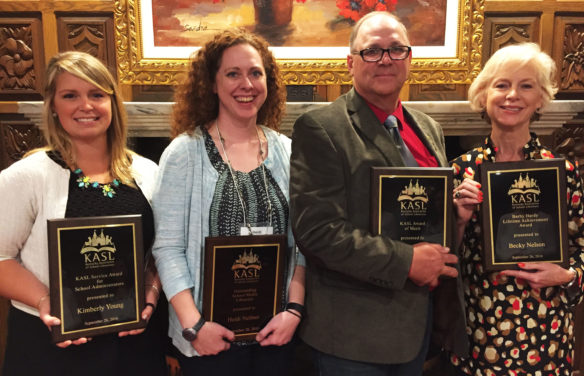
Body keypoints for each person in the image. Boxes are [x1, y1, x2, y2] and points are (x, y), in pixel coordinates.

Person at [290, 11, 467, 375]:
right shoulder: (321, 127)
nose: (385, 59)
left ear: (409, 59)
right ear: (350, 63)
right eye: (372, 51)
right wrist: (407, 262)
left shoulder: (429, 128)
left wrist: (456, 216)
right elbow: (318, 231)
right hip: (353, 338)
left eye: (396, 49)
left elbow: (422, 216)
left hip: (418, 326)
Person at [0, 51, 167, 375]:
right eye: (70, 95)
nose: (86, 105)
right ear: (53, 106)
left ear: (112, 104)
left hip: (133, 347)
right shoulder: (26, 176)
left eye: (96, 94)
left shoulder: (148, 172)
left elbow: (162, 250)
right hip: (51, 347)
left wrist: (152, 290)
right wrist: (44, 301)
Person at [151, 28, 306, 376]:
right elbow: (168, 249)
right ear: (212, 83)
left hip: (275, 336)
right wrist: (193, 326)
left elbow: (302, 246)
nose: (246, 84)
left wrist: (293, 311)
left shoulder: (287, 151)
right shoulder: (184, 153)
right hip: (207, 340)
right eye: (232, 74)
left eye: (255, 73)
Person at [450, 42, 584, 375]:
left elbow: (582, 245)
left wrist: (568, 276)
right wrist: (459, 221)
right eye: (502, 85)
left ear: (541, 99)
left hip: (546, 330)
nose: (513, 95)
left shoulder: (562, 172)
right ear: (483, 95)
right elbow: (440, 257)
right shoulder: (458, 171)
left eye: (526, 86)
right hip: (478, 328)